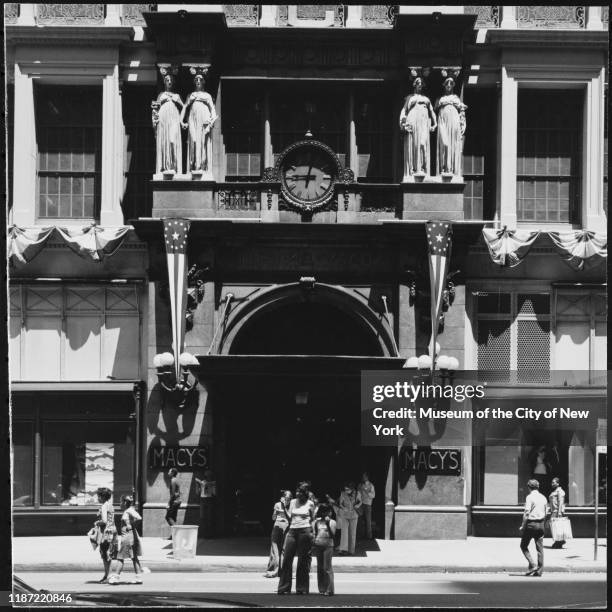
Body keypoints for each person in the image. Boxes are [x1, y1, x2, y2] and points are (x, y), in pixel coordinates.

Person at [277, 482, 316, 595]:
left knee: (302, 561)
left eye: (300, 492)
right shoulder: (293, 502)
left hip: (305, 531)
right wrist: (284, 507)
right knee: (287, 558)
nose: (297, 493)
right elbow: (289, 518)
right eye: (297, 491)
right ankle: (284, 587)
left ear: (305, 493)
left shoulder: (310, 504)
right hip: (293, 531)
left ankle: (302, 588)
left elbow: (312, 519)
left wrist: (313, 533)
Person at [399, 76, 437, 179]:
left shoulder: (426, 99)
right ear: (414, 84)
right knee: (414, 145)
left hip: (423, 124)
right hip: (413, 122)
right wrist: (402, 122)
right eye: (418, 82)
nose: (419, 84)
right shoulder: (410, 98)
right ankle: (415, 169)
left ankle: (423, 169)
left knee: (422, 144)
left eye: (421, 83)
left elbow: (432, 112)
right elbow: (404, 110)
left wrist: (435, 123)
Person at [181, 70, 217, 175]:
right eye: (196, 79)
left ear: (203, 81)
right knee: (194, 140)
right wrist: (181, 120)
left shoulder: (207, 96)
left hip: (204, 119)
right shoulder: (190, 95)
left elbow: (213, 109)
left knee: (202, 142)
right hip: (192, 119)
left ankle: (200, 166)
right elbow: (184, 107)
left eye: (200, 79)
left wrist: (211, 121)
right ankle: (193, 165)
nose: (198, 81)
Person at [152, 69, 183, 174]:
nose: (169, 82)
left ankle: (174, 167)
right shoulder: (161, 95)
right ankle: (166, 167)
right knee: (165, 141)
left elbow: (184, 108)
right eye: (167, 80)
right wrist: (155, 110)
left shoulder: (177, 95)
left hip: (174, 118)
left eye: (171, 80)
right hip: (163, 119)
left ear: (173, 82)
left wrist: (178, 101)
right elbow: (155, 108)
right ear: (164, 82)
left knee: (172, 140)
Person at [435, 76, 467, 176]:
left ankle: (450, 169)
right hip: (443, 121)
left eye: (451, 83)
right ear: (444, 85)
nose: (449, 85)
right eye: (447, 83)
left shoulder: (456, 98)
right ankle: (443, 168)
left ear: (453, 86)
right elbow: (435, 108)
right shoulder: (440, 99)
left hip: (454, 121)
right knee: (445, 143)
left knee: (453, 143)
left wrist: (462, 120)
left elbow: (462, 110)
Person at [108, 495, 144, 585]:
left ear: (124, 503)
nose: (120, 504)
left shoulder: (128, 511)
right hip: (131, 536)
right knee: (134, 557)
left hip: (127, 537)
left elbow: (139, 518)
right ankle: (138, 577)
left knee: (120, 557)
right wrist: (132, 525)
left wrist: (131, 525)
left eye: (120, 502)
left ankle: (116, 577)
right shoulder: (129, 511)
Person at [519, 479, 548, 577]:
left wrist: (523, 525)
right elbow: (546, 512)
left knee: (523, 545)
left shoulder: (530, 497)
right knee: (540, 548)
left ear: (529, 487)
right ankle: (539, 571)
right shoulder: (543, 497)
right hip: (541, 524)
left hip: (531, 524)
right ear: (537, 487)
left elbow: (527, 512)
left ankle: (533, 564)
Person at [264, 490, 292, 578]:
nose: (287, 500)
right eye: (286, 498)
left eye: (289, 498)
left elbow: (290, 518)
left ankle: (280, 570)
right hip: (277, 525)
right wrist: (275, 513)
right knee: (274, 548)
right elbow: (273, 517)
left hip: (287, 526)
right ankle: (272, 569)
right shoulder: (277, 504)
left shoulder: (292, 505)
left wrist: (284, 507)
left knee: (284, 549)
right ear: (282, 497)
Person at [329, 482, 362, 555]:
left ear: (352, 489)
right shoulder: (343, 494)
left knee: (352, 533)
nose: (346, 491)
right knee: (344, 533)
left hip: (354, 515)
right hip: (345, 515)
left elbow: (360, 502)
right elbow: (340, 503)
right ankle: (343, 550)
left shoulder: (357, 493)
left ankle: (351, 550)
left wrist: (357, 506)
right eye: (345, 489)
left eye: (348, 489)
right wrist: (344, 508)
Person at [312, 503, 336, 596]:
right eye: (325, 512)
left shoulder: (332, 522)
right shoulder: (316, 522)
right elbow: (315, 533)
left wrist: (327, 524)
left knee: (327, 568)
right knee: (320, 568)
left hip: (328, 546)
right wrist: (314, 543)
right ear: (321, 512)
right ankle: (322, 588)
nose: (328, 513)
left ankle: (330, 590)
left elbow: (332, 536)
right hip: (318, 545)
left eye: (329, 511)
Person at [94, 487, 117, 584]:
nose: (97, 498)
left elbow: (104, 521)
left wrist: (97, 522)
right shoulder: (111, 505)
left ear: (102, 497)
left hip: (106, 533)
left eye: (98, 496)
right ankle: (108, 575)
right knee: (110, 554)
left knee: (105, 555)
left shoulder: (104, 506)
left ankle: (108, 575)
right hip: (113, 531)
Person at [195, 469, 217, 538]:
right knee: (203, 517)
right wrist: (198, 485)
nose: (208, 477)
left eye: (209, 475)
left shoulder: (213, 483)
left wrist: (212, 487)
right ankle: (205, 534)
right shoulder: (202, 482)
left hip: (209, 499)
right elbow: (197, 493)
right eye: (207, 475)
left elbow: (214, 493)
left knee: (210, 517)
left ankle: (210, 534)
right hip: (203, 500)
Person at [548, 477, 567, 549]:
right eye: (552, 482)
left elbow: (561, 502)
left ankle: (559, 541)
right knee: (554, 526)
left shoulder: (560, 491)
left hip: (556, 511)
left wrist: (559, 512)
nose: (552, 484)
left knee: (556, 527)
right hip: (553, 511)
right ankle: (559, 541)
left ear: (558, 483)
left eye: (553, 482)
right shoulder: (554, 491)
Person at [358, 472, 376, 540]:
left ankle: (369, 536)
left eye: (364, 476)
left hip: (368, 504)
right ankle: (360, 535)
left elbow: (373, 495)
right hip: (360, 504)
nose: (363, 478)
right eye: (362, 476)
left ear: (367, 477)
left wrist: (366, 491)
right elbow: (358, 494)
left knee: (368, 520)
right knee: (359, 520)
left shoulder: (371, 485)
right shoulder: (360, 485)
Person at [165, 468, 181, 538]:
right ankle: (173, 536)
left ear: (172, 473)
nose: (168, 472)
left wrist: (168, 503)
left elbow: (173, 494)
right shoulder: (176, 480)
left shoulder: (173, 480)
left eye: (169, 471)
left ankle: (177, 532)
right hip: (177, 501)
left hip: (174, 502)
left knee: (168, 517)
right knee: (173, 518)